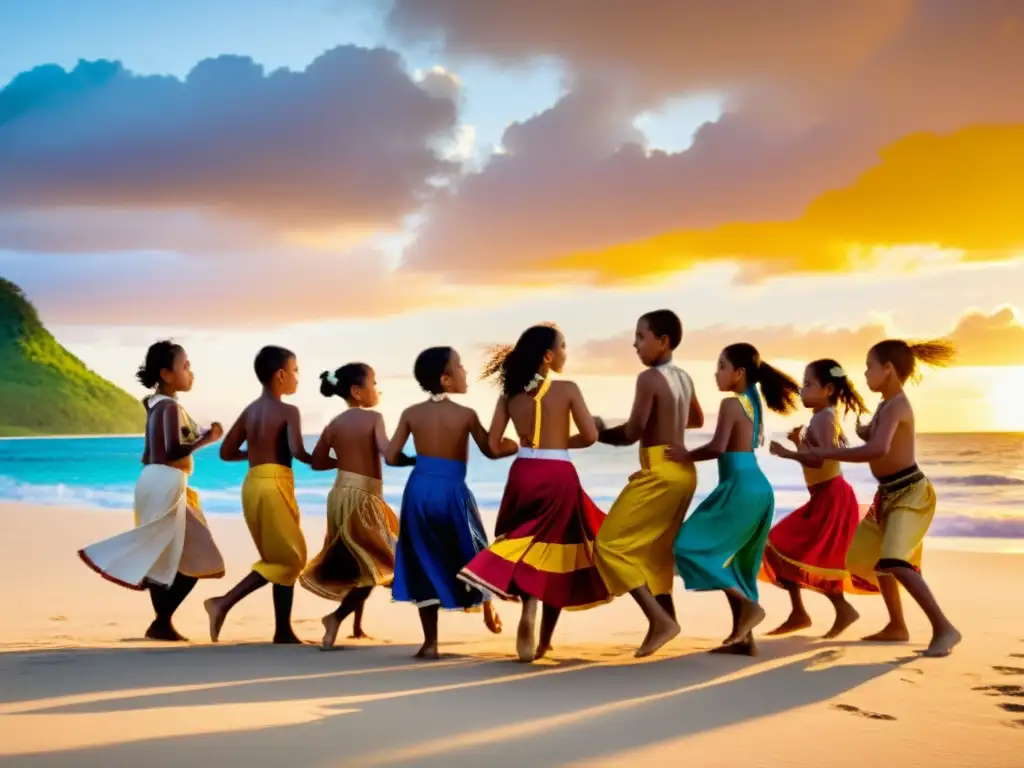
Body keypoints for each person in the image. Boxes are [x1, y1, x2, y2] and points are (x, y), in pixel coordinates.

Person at [458, 324, 609, 663]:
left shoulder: (509, 395)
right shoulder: (568, 389)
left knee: (526, 543)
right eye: (564, 347)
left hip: (524, 473)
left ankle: (529, 608)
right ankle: (544, 641)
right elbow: (589, 436)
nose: (567, 354)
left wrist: (518, 444)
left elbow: (495, 446)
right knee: (559, 550)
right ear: (548, 356)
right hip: (558, 474)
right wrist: (558, 442)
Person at [806, 339, 961, 657]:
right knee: (864, 559)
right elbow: (879, 440)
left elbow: (877, 450)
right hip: (886, 494)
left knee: (894, 560)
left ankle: (944, 627)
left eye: (869, 366)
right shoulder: (885, 406)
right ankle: (897, 625)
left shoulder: (898, 405)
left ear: (887, 369)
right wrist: (868, 432)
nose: (864, 374)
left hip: (910, 493)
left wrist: (827, 451)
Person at [78, 341, 225, 641]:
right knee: (198, 553)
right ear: (166, 374)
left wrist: (197, 434)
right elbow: (172, 450)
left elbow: (166, 443)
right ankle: (162, 621)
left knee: (164, 551)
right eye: (185, 366)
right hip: (166, 481)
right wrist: (209, 438)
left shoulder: (155, 403)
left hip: (153, 481)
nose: (190, 372)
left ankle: (162, 622)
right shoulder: (170, 406)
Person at [388, 347, 519, 659]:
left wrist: (416, 461)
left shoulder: (411, 413)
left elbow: (391, 456)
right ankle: (486, 603)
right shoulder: (466, 415)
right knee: (472, 548)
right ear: (446, 379)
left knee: (423, 558)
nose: (465, 372)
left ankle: (430, 642)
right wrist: (516, 444)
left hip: (419, 490)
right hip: (451, 491)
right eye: (460, 366)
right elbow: (491, 449)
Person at [670, 343, 799, 656]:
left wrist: (685, 455)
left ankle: (748, 607)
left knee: (685, 547)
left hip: (739, 486)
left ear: (739, 372)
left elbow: (717, 447)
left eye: (722, 366)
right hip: (756, 487)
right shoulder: (752, 401)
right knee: (741, 563)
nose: (716, 373)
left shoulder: (731, 403)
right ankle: (744, 640)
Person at [593, 310, 703, 657]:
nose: (635, 344)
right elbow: (697, 419)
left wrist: (597, 431)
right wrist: (671, 421)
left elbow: (630, 432)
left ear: (663, 341)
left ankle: (660, 619)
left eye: (641, 336)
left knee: (608, 545)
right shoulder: (684, 377)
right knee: (656, 553)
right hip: (683, 473)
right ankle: (664, 623)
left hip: (658, 471)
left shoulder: (649, 378)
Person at [300, 362, 413, 650]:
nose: (377, 389)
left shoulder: (334, 424)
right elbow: (388, 452)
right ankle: (335, 618)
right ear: (357, 391)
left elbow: (316, 462)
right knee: (379, 558)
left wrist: (345, 463)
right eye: (373, 383)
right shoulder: (373, 417)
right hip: (364, 496)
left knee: (357, 559)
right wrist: (415, 457)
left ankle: (355, 626)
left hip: (339, 495)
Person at [204, 346, 312, 644]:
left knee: (278, 556)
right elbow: (299, 452)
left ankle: (283, 631)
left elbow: (226, 452)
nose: (297, 377)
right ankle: (222, 603)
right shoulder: (289, 411)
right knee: (291, 558)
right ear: (280, 375)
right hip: (276, 483)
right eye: (295, 371)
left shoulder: (250, 410)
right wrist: (336, 458)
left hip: (253, 483)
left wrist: (257, 452)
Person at [765, 358, 868, 638]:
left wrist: (788, 452)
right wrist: (799, 444)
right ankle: (801, 613)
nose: (802, 390)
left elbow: (820, 458)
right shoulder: (821, 417)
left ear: (828, 389)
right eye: (803, 384)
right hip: (823, 495)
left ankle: (832, 611)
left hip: (832, 496)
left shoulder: (824, 417)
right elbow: (814, 462)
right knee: (786, 550)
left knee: (791, 548)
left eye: (809, 384)